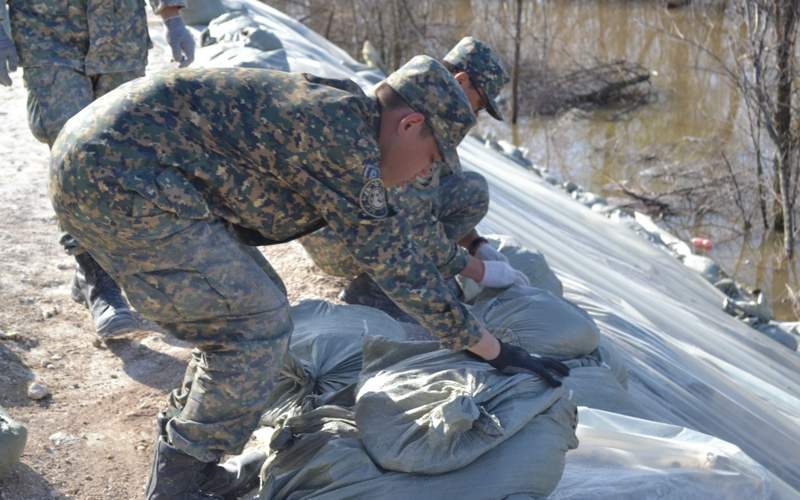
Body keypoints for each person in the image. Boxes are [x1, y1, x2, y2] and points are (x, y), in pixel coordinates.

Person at [49, 56, 569, 498]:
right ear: (410, 125)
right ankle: (181, 480)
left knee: (252, 309)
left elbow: (398, 247)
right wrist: (494, 351)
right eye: (431, 158)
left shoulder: (349, 119)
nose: (421, 173)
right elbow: (396, 263)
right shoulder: (347, 146)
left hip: (126, 164)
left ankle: (188, 458)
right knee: (256, 322)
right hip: (117, 175)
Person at [0, 0, 195, 339]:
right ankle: (97, 279)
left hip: (120, 36)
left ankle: (118, 266)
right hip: (46, 36)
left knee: (118, 154)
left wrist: (172, 14)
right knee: (70, 152)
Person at [300, 37, 525, 318]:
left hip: (361, 224)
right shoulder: (411, 126)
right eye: (478, 105)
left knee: (471, 189)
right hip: (339, 244)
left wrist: (476, 245)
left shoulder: (415, 108)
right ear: (462, 80)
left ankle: (418, 269)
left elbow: (430, 198)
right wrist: (475, 269)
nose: (475, 115)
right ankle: (375, 287)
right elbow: (415, 222)